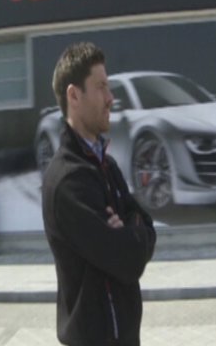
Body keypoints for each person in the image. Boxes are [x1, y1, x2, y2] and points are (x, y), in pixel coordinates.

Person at [42, 42, 156, 346]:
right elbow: (128, 261)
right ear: (74, 96)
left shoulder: (107, 165)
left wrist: (129, 229)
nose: (111, 98)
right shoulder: (68, 181)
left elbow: (146, 224)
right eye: (101, 87)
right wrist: (134, 233)